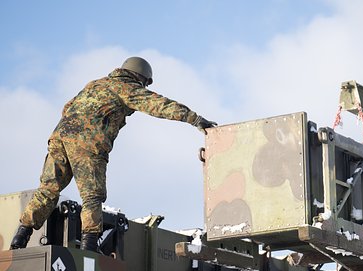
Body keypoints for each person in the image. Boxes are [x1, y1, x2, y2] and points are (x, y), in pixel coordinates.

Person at [10, 56, 216, 252]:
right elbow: (159, 105)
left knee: (48, 190)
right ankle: (88, 246)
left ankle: (19, 239)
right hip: (88, 143)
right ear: (141, 77)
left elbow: (68, 107)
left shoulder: (94, 84)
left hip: (59, 138)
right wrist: (195, 119)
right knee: (92, 196)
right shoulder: (127, 88)